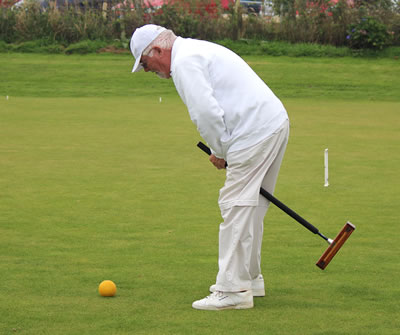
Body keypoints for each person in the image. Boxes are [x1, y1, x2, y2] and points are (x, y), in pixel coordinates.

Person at [130, 24, 289, 310]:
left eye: (144, 62)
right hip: (272, 122)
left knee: (235, 205)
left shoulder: (184, 62)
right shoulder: (195, 49)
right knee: (251, 207)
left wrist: (220, 150)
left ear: (157, 49)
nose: (146, 70)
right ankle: (250, 280)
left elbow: (205, 113)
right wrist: (224, 148)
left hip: (253, 131)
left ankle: (232, 290)